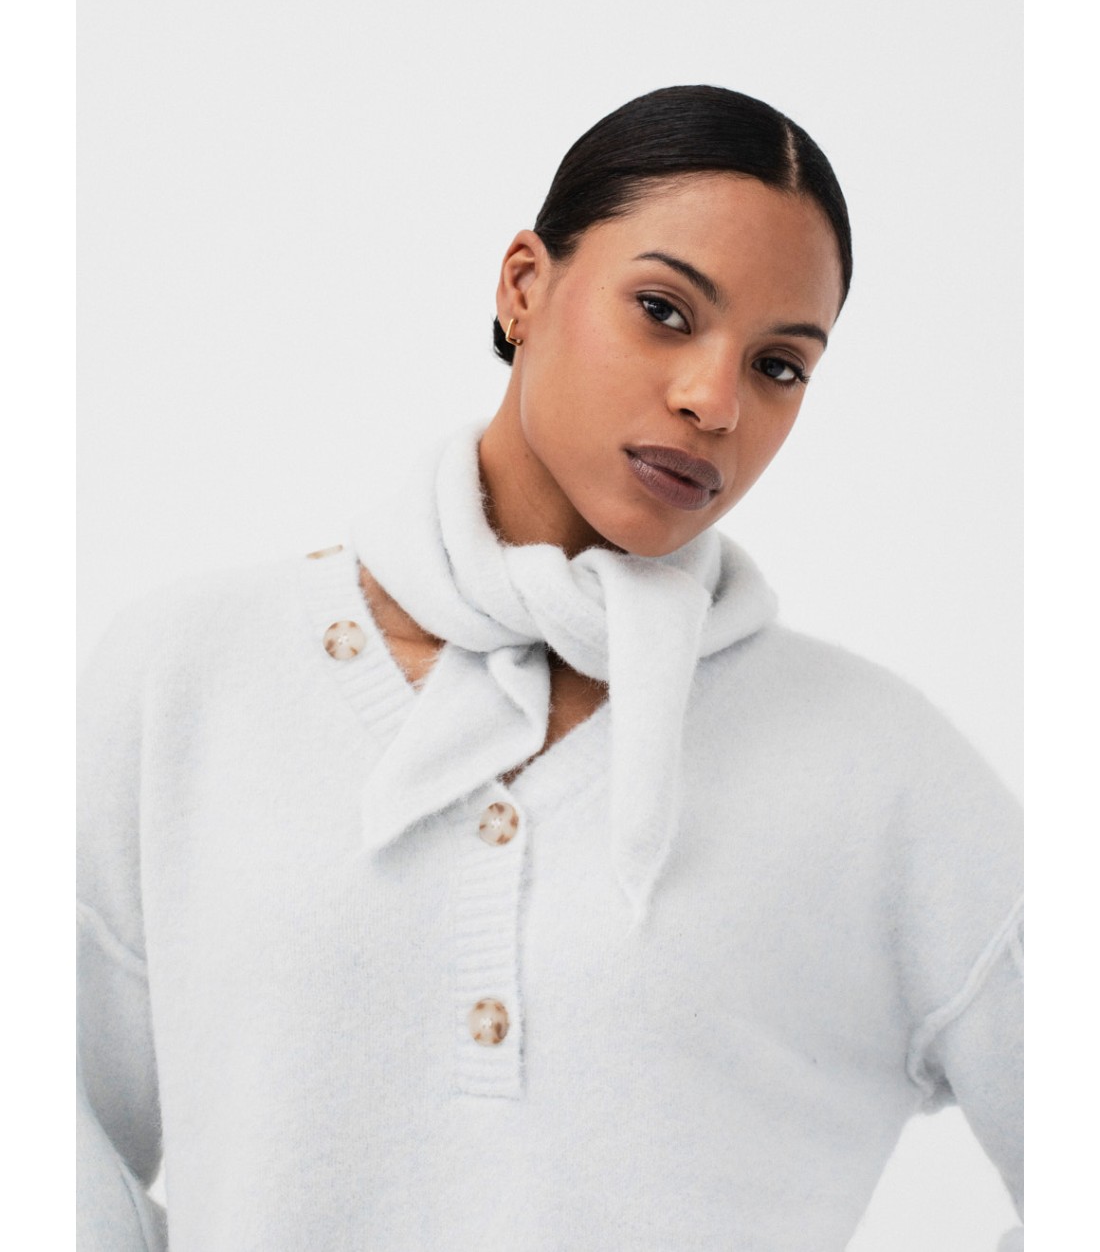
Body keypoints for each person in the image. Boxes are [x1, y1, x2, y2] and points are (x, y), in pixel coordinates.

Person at [77, 84, 1023, 1250]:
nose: (712, 401)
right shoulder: (188, 678)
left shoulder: (882, 774)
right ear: (523, 286)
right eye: (664, 311)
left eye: (778, 366)